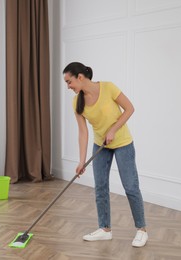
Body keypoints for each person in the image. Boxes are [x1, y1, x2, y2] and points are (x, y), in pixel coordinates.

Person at [63, 62, 148, 247]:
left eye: (69, 82)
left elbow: (130, 109)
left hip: (122, 143)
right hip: (100, 145)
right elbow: (83, 132)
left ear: (80, 77)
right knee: (100, 187)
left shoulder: (108, 87)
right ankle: (105, 229)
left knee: (131, 187)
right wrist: (81, 160)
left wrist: (113, 129)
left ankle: (141, 230)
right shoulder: (76, 102)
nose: (68, 87)